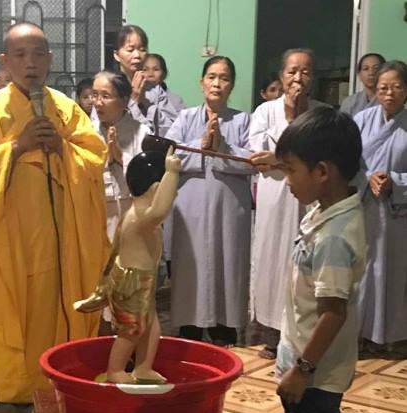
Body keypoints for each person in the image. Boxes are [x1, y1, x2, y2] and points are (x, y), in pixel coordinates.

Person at [0, 22, 109, 413]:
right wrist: (17, 146)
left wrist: (61, 146)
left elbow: (95, 158)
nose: (31, 64)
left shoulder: (66, 109)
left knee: (64, 303)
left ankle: (66, 385)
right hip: (14, 237)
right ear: (5, 62)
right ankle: (16, 392)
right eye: (20, 55)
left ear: (50, 59)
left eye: (39, 54)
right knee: (16, 308)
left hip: (65, 237)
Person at [274, 106, 366, 413]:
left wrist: (302, 371)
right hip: (304, 362)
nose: (287, 181)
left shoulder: (334, 237)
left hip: (315, 375)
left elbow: (333, 313)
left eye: (290, 170)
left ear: (322, 172)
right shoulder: (326, 210)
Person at [165, 56, 255, 345]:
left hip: (229, 210)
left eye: (224, 78)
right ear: (201, 82)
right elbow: (168, 155)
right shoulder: (185, 118)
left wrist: (222, 148)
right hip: (190, 210)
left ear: (232, 85)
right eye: (212, 77)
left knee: (228, 264)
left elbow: (253, 161)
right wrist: (201, 146)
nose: (217, 83)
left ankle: (224, 330)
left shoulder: (243, 120)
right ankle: (189, 329)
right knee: (190, 265)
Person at [75, 149, 181, 384]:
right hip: (131, 282)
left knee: (151, 327)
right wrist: (172, 173)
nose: (173, 194)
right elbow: (160, 210)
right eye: (170, 190)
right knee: (131, 331)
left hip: (143, 279)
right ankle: (115, 370)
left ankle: (143, 368)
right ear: (156, 189)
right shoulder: (142, 216)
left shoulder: (139, 215)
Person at [249, 48, 327, 359]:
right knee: (272, 260)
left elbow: (320, 158)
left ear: (313, 77)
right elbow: (258, 155)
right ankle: (272, 334)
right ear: (282, 76)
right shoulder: (265, 112)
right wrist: (287, 156)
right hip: (274, 198)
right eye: (292, 71)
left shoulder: (322, 114)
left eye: (305, 71)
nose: (298, 78)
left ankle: (304, 337)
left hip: (309, 200)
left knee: (306, 263)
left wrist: (279, 159)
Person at [354, 60, 407, 352]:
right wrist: (367, 177)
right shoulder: (361, 120)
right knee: (362, 271)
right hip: (364, 206)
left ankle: (389, 336)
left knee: (392, 272)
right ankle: (358, 334)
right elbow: (348, 162)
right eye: (384, 87)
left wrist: (394, 181)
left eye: (397, 87)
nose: (389, 94)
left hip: (396, 212)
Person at [91, 70, 150, 240]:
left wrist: (121, 158)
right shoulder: (87, 132)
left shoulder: (141, 132)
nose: (98, 102)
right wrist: (104, 161)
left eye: (105, 96)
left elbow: (149, 181)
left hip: (132, 211)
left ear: (124, 100)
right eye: (95, 95)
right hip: (95, 210)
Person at [113, 25, 178, 136]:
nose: (137, 55)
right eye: (130, 50)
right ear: (116, 55)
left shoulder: (155, 90)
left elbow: (173, 130)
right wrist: (133, 101)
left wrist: (146, 104)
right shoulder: (109, 87)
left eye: (142, 50)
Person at [341, 53, 385, 118]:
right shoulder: (350, 102)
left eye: (376, 68)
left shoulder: (389, 99)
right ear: (359, 74)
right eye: (366, 69)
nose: (371, 73)